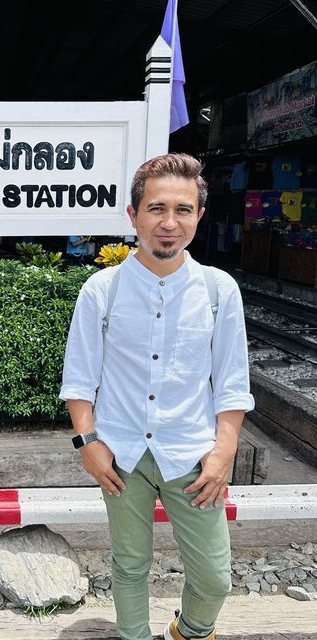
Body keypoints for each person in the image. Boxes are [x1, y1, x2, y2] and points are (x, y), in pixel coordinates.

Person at [60, 153, 254, 640]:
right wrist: (89, 444)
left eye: (183, 210)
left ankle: (188, 630)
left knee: (214, 577)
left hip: (193, 455)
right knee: (128, 566)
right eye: (156, 209)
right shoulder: (102, 289)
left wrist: (224, 451)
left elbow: (232, 380)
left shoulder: (218, 290)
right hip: (120, 454)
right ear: (133, 215)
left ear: (199, 216)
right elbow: (80, 378)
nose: (169, 223)